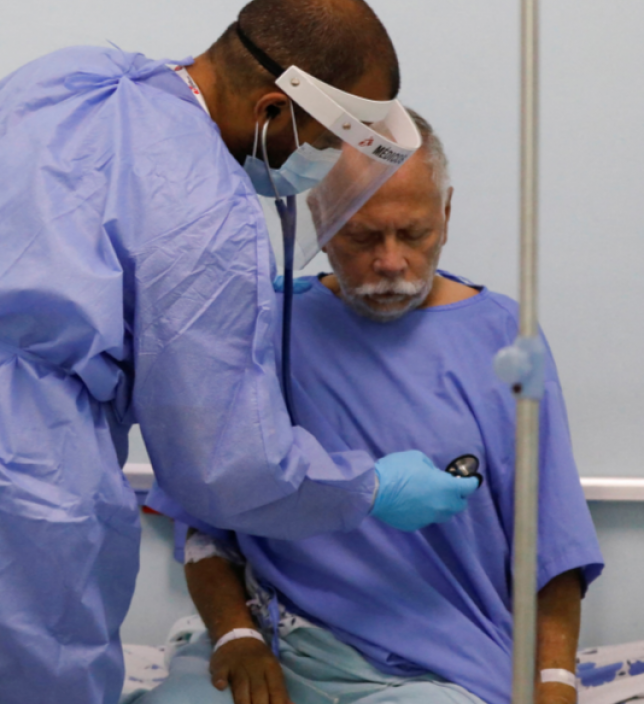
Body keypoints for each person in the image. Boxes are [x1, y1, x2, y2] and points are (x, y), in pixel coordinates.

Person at [0, 0, 477, 704]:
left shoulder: (70, 79)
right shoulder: (208, 214)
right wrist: (367, 488)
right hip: (6, 490)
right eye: (320, 144)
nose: (315, 170)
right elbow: (225, 466)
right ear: (275, 108)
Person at [139, 112, 603, 704]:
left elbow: (553, 548)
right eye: (361, 237)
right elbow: (204, 523)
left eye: (413, 234)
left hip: (432, 667)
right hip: (278, 647)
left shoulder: (505, 339)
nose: (389, 263)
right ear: (320, 221)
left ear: (447, 215)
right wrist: (235, 635)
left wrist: (556, 685)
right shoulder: (269, 328)